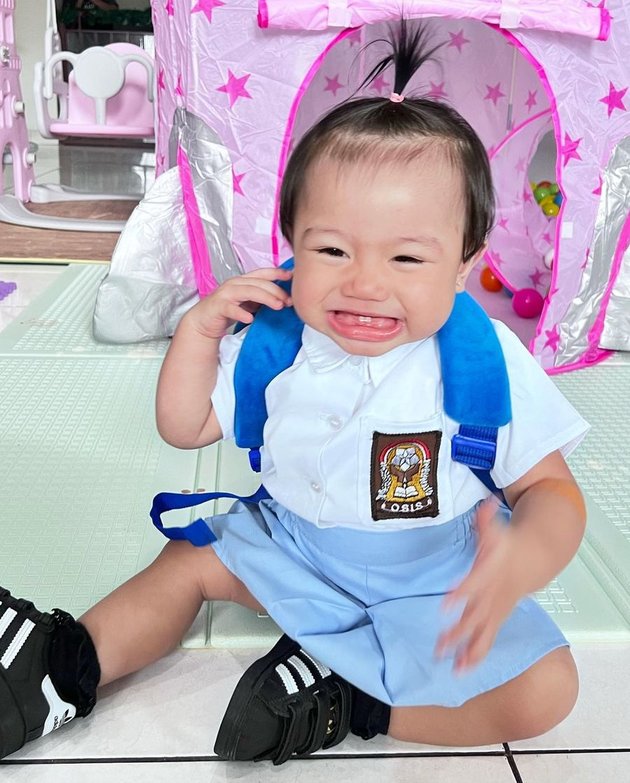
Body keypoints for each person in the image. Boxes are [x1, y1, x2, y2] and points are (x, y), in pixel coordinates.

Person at [0, 22, 589, 765]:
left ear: (466, 263)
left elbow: (553, 492)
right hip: (297, 550)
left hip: (436, 582)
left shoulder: (486, 360)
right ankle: (60, 668)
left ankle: (353, 701)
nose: (365, 281)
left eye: (407, 256)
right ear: (290, 241)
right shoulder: (275, 343)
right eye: (333, 249)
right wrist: (199, 334)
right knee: (187, 562)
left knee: (549, 688)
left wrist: (521, 559)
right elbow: (186, 427)